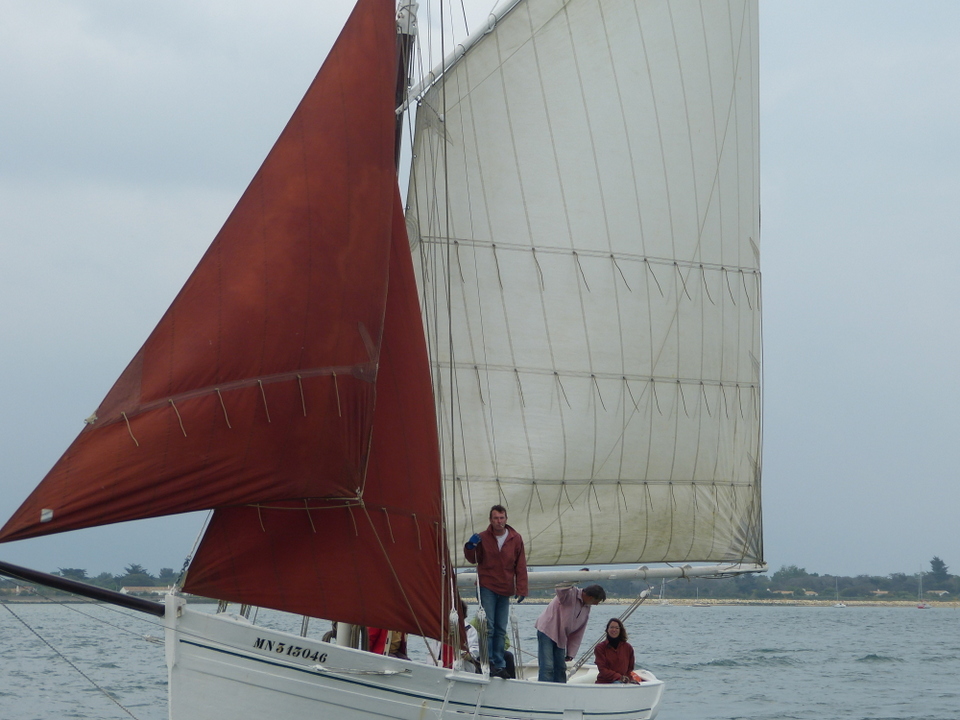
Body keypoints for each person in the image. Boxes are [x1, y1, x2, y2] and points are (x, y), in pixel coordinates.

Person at [463, 504, 528, 679]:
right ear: (490, 520)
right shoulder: (483, 537)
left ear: (506, 519)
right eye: (495, 518)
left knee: (500, 628)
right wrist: (470, 546)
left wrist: (521, 588)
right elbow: (473, 559)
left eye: (502, 518)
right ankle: (489, 660)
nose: (499, 521)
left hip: (505, 588)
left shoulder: (515, 538)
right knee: (488, 626)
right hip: (487, 586)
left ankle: (499, 663)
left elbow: (520, 565)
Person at [534, 584, 606, 683]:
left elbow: (578, 632)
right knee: (547, 666)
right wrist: (577, 576)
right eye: (596, 601)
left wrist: (570, 653)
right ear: (590, 597)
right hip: (547, 630)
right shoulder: (571, 594)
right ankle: (544, 691)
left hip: (562, 636)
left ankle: (561, 691)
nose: (596, 604)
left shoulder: (586, 608)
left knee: (561, 667)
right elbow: (560, 588)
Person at [594, 618, 639, 684]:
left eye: (617, 628)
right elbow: (603, 669)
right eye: (611, 627)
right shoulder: (600, 648)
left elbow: (630, 668)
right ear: (607, 630)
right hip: (605, 682)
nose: (614, 630)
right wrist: (619, 677)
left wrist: (627, 678)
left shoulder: (628, 647)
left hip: (624, 681)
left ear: (620, 630)